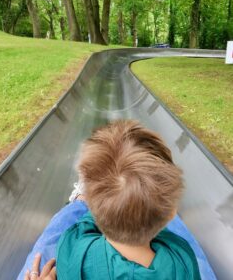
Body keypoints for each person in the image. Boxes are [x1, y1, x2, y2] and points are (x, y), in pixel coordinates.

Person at [21, 120, 216, 280]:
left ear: (94, 211)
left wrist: (95, 204)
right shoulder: (182, 259)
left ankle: (80, 199)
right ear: (171, 214)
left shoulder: (72, 248)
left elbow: (83, 226)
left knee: (63, 225)